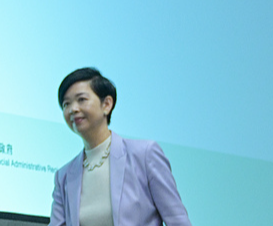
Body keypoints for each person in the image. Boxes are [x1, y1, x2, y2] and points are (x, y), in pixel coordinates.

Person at [49, 68, 191, 226]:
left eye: (81, 99)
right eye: (66, 104)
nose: (73, 109)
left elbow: (177, 220)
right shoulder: (64, 176)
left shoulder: (144, 154)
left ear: (107, 104)